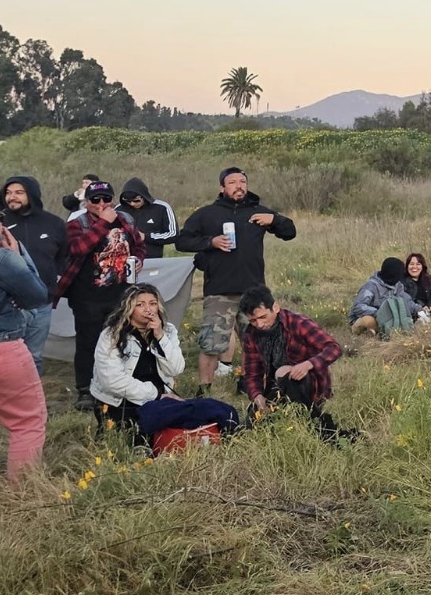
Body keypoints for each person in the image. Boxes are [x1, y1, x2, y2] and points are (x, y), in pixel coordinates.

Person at [175, 167, 297, 390]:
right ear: (222, 188)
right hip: (220, 290)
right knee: (211, 343)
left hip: (253, 291)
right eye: (232, 182)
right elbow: (181, 241)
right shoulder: (207, 214)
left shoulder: (257, 212)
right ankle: (204, 390)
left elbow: (290, 232)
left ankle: (252, 384)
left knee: (259, 342)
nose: (239, 185)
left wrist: (274, 219)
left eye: (242, 181)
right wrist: (210, 242)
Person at [54, 181, 146, 410]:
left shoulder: (125, 221)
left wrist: (138, 261)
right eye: (96, 200)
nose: (102, 204)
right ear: (86, 202)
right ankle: (85, 389)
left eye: (106, 199)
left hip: (120, 293)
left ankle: (119, 385)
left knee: (122, 340)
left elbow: (138, 245)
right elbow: (77, 249)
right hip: (87, 295)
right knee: (88, 342)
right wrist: (104, 222)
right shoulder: (77, 224)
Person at [238, 286, 348, 438]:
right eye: (253, 321)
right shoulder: (251, 334)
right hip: (276, 387)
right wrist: (257, 396)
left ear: (275, 307)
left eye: (263, 317)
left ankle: (313, 423)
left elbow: (334, 348)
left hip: (308, 385)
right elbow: (252, 373)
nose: (260, 325)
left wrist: (308, 364)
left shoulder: (298, 323)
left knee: (284, 372)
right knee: (250, 430)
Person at [0, 218, 48, 480]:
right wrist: (17, 255)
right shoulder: (2, 259)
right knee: (26, 423)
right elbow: (37, 296)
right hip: (2, 346)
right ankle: (21, 494)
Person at [89, 284, 184, 432]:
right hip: (120, 402)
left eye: (152, 304)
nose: (148, 309)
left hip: (160, 398)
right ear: (129, 308)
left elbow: (176, 369)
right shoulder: (111, 335)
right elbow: (113, 381)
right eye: (140, 305)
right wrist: (156, 395)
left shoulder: (168, 330)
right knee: (138, 438)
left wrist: (160, 337)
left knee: (200, 413)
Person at [0, 176, 67, 373]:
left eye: (19, 193)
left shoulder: (54, 223)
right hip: (7, 306)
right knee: (6, 356)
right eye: (8, 193)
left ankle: (31, 399)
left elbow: (62, 257)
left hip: (41, 303)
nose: (12, 197)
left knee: (34, 355)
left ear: (32, 194)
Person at [349, 257, 424, 335]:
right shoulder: (371, 286)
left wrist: (420, 310)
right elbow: (358, 307)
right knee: (369, 321)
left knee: (404, 319)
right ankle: (362, 331)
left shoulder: (397, 286)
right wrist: (378, 312)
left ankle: (378, 332)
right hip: (369, 317)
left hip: (387, 319)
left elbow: (407, 301)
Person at [118, 178, 178, 258]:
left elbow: (173, 234)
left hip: (152, 260)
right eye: (129, 202)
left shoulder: (162, 208)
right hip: (124, 261)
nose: (132, 204)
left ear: (144, 197)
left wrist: (146, 237)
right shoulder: (118, 209)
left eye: (136, 201)